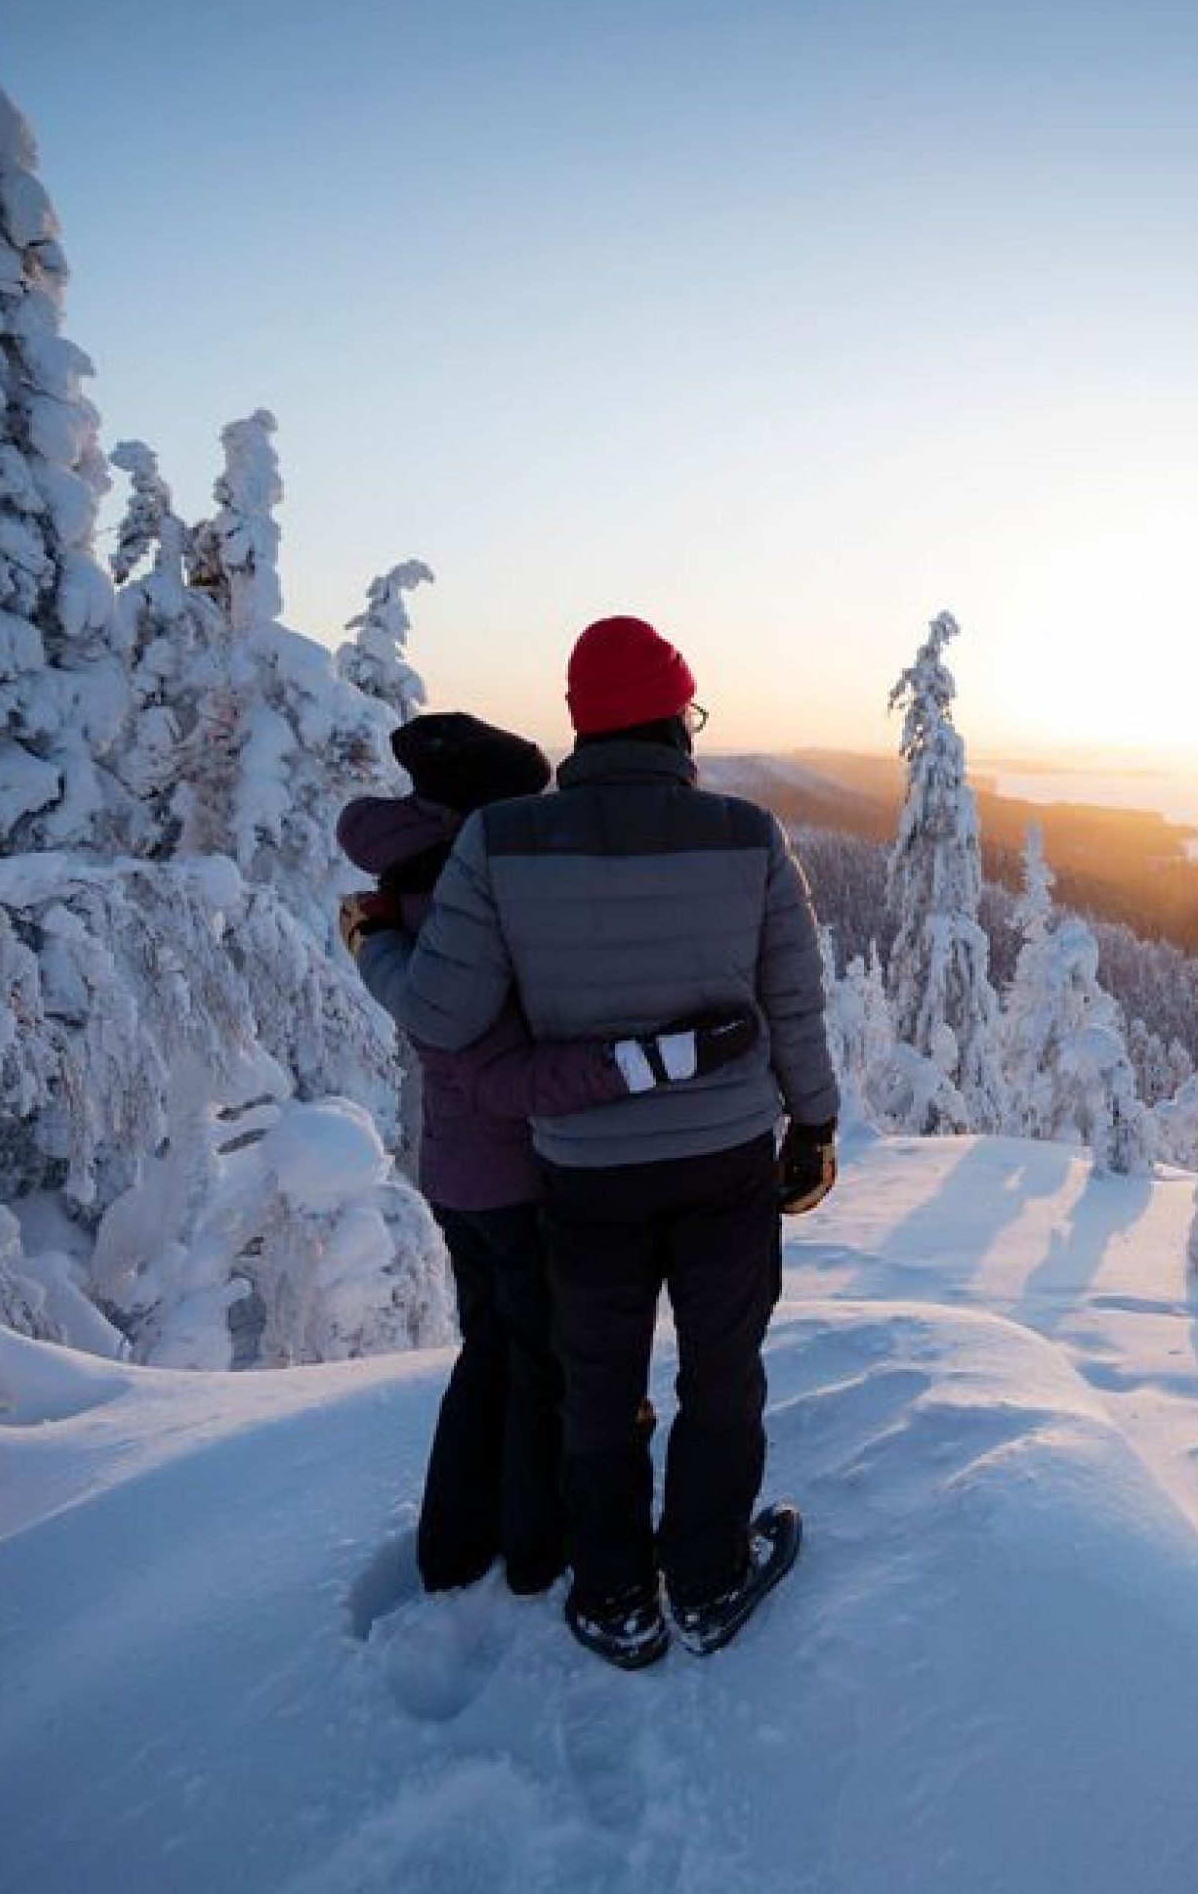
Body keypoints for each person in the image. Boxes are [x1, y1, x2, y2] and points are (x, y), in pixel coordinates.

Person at [352, 617, 840, 1669]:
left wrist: (377, 943)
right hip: (722, 1161)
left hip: (584, 1168)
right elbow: (793, 1000)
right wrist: (815, 1122)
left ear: (582, 723)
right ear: (676, 716)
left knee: (598, 1380)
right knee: (724, 1370)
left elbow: (443, 1015)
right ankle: (707, 1581)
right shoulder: (748, 833)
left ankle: (615, 1594)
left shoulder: (502, 841)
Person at [337, 711, 751, 1600]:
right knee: (543, 1369)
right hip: (513, 1174)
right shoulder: (467, 888)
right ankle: (534, 1550)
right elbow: (503, 1076)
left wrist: (373, 945)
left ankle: (453, 1547)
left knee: (492, 1353)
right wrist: (652, 1062)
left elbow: (434, 1019)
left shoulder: (413, 879)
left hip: (457, 1171)